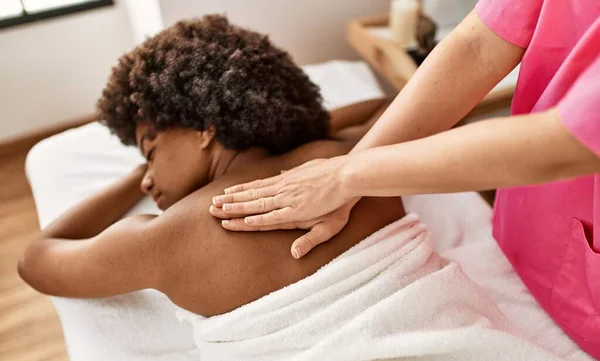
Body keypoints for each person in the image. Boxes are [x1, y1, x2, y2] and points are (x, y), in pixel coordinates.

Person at [210, 2, 600, 360]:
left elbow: (565, 144)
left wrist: (347, 176)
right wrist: (349, 176)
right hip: (535, 227)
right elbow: (480, 43)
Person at [17, 15, 400, 317]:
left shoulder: (161, 239)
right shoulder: (353, 158)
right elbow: (388, 106)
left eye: (149, 153)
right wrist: (296, 132)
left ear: (203, 128)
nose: (147, 179)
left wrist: (130, 183)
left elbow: (35, 260)